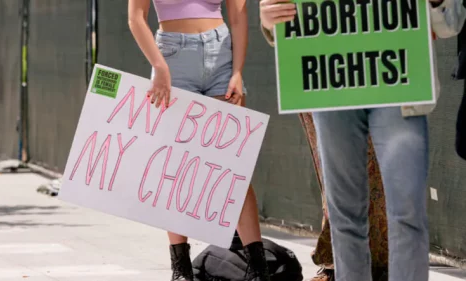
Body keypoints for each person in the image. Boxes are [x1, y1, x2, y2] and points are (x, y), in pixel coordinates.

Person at [259, 0, 466, 280]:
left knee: (407, 212)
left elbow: (450, 24)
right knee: (345, 216)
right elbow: (282, 19)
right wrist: (270, 22)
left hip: (400, 83)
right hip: (330, 85)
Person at [128, 1, 270, 280]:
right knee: (175, 165)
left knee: (233, 168)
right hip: (172, 57)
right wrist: (159, 66)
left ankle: (258, 267)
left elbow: (239, 17)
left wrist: (237, 71)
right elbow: (136, 18)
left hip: (221, 54)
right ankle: (180, 267)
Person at [300, 113, 388, 281]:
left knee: (370, 158)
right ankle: (336, 266)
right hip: (315, 92)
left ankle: (380, 265)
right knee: (330, 167)